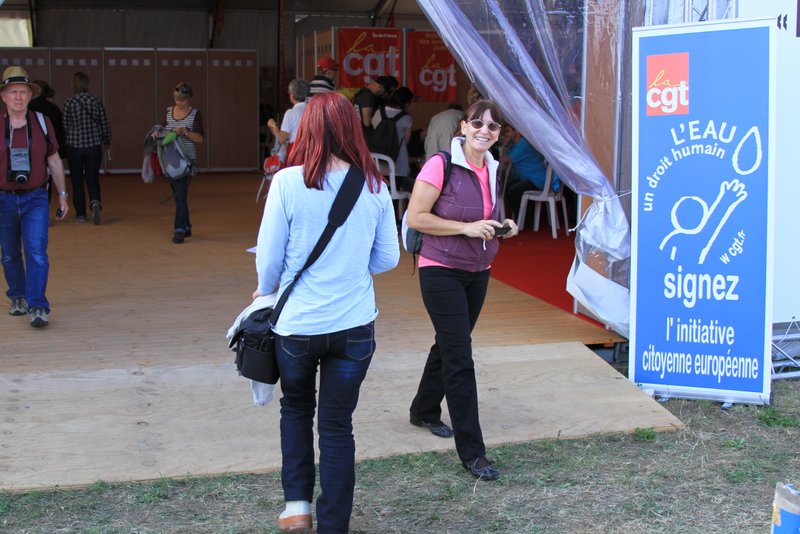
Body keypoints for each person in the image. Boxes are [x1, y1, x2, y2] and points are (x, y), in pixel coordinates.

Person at [253, 91, 399, 533]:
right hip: (354, 325)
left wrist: (264, 292)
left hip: (298, 325)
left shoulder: (288, 182)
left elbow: (270, 259)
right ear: (353, 129)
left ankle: (297, 504)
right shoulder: (374, 185)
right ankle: (334, 524)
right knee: (337, 427)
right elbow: (388, 259)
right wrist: (352, 264)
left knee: (295, 410)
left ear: (306, 130)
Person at [405, 99, 518, 482]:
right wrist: (465, 228)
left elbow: (485, 214)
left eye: (493, 126)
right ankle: (473, 452)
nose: (485, 131)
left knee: (451, 342)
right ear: (463, 128)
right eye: (478, 124)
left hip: (478, 268)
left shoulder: (494, 168)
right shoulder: (442, 164)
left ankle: (423, 409)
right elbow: (416, 217)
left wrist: (503, 224)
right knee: (460, 356)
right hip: (441, 269)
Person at [0, 66, 70, 328]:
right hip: (3, 198)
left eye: (23, 92)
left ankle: (38, 305)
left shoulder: (42, 121)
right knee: (8, 254)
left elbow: (53, 159)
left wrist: (62, 195)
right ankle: (17, 296)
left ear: (30, 96)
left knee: (36, 252)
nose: (18, 97)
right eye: (13, 92)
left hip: (36, 197)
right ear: (3, 96)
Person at [62, 71, 111, 225]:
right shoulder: (96, 101)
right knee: (92, 178)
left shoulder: (69, 103)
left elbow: (65, 125)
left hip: (75, 146)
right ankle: (95, 203)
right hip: (93, 146)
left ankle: (81, 214)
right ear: (87, 84)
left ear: (74, 85)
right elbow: (104, 124)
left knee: (77, 180)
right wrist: (107, 141)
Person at [163, 82, 204, 244]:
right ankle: (186, 226)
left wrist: (185, 131)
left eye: (183, 100)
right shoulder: (168, 112)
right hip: (170, 158)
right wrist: (158, 134)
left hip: (187, 160)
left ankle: (179, 229)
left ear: (189, 99)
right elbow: (164, 131)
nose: (179, 103)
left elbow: (200, 139)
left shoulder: (195, 114)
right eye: (177, 99)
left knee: (180, 194)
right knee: (179, 195)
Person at [503, 128, 561, 220]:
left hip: (537, 180)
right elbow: (504, 160)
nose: (506, 134)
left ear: (516, 131)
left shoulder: (522, 144)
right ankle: (524, 217)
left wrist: (505, 145)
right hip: (533, 179)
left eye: (508, 131)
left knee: (512, 190)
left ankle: (522, 219)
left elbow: (505, 160)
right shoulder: (516, 145)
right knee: (509, 188)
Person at [267, 79, 310, 165]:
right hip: (311, 150)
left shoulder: (291, 113)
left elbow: (282, 139)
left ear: (292, 95)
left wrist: (274, 126)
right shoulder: (313, 110)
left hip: (295, 151)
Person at [380, 86, 414, 191]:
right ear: (405, 103)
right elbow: (407, 140)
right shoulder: (406, 118)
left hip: (378, 158)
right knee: (397, 189)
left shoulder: (378, 112)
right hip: (399, 160)